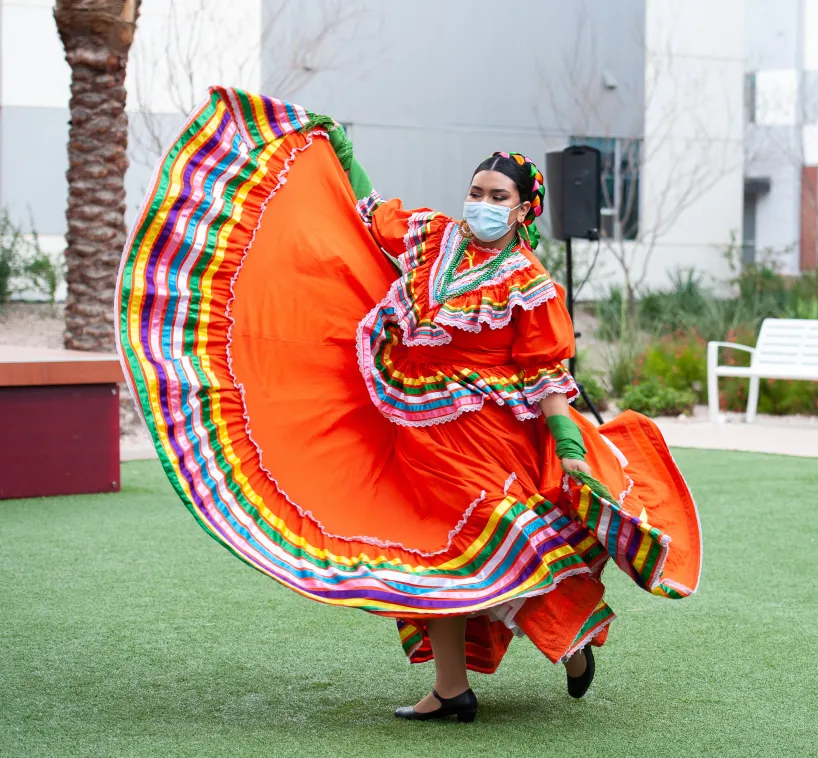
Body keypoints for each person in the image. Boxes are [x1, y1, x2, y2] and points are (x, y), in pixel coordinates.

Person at [116, 87, 702, 724]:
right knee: (424, 554)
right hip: (415, 428)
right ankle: (452, 688)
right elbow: (371, 213)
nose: (480, 205)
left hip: (485, 434)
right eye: (476, 192)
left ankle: (573, 640)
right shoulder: (432, 236)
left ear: (524, 209)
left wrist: (567, 448)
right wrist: (340, 150)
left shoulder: (530, 285)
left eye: (497, 197)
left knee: (493, 543)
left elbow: (549, 376)